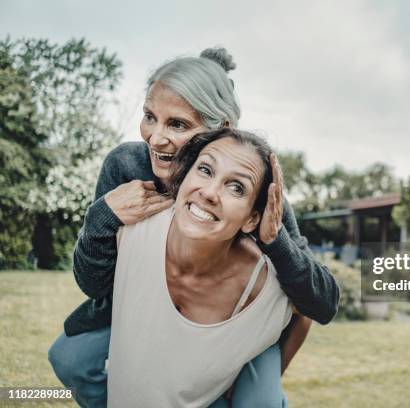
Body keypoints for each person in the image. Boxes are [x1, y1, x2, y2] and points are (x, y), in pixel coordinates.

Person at [48, 47, 339, 407]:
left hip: (232, 324)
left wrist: (275, 240)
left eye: (178, 125)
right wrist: (101, 218)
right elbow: (95, 285)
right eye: (150, 117)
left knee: (256, 403)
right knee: (70, 359)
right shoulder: (126, 166)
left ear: (223, 131)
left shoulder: (253, 193)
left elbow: (318, 301)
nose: (155, 138)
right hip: (142, 309)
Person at [108, 128, 299, 406]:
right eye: (206, 170)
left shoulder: (262, 288)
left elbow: (307, 311)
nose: (210, 193)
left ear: (251, 219)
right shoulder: (133, 229)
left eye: (236, 187)